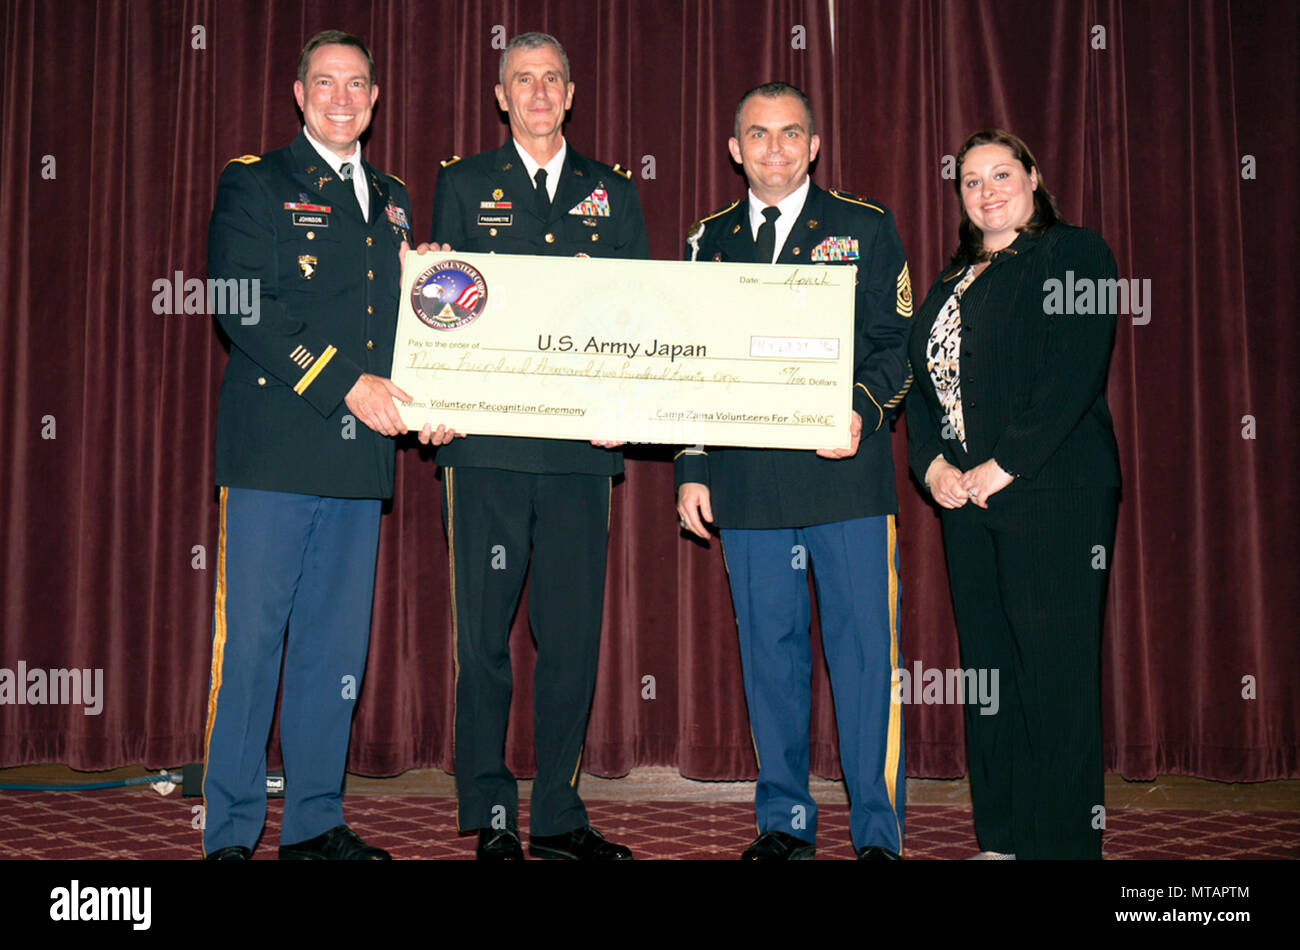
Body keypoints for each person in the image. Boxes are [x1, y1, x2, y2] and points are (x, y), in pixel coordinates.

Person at [201, 30, 456, 860]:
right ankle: (231, 834)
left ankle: (314, 823)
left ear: (376, 100)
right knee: (251, 652)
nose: (341, 98)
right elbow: (241, 305)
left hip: (358, 459)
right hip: (276, 450)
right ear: (299, 95)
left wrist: (443, 318)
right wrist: (347, 383)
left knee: (331, 653)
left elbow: (399, 323)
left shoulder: (392, 200)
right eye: (325, 83)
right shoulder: (255, 182)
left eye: (356, 85)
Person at [424, 31, 648, 860]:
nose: (540, 92)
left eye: (552, 78)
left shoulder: (611, 193)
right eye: (524, 80)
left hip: (580, 455)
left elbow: (638, 313)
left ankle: (556, 811)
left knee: (571, 639)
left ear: (572, 91)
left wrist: (628, 400)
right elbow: (442, 305)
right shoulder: (462, 183)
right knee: (481, 643)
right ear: (500, 95)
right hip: (482, 449)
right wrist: (438, 400)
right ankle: (489, 814)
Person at [676, 82, 912, 861]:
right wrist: (692, 466)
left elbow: (896, 344)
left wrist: (860, 411)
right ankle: (784, 824)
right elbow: (689, 364)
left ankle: (878, 833)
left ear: (814, 146)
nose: (774, 148)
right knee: (769, 662)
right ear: (734, 149)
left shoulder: (864, 227)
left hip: (844, 477)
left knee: (863, 664)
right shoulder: (706, 241)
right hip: (747, 487)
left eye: (790, 134)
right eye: (758, 134)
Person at [904, 129, 1121, 860]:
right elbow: (930, 393)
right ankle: (1001, 837)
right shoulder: (951, 279)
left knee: (1053, 677)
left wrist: (1005, 464)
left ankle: (1062, 847)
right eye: (971, 180)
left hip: (1053, 493)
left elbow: (1074, 374)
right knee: (990, 674)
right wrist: (932, 465)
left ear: (1033, 176)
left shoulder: (1074, 252)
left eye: (1002, 174)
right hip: (967, 502)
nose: (988, 190)